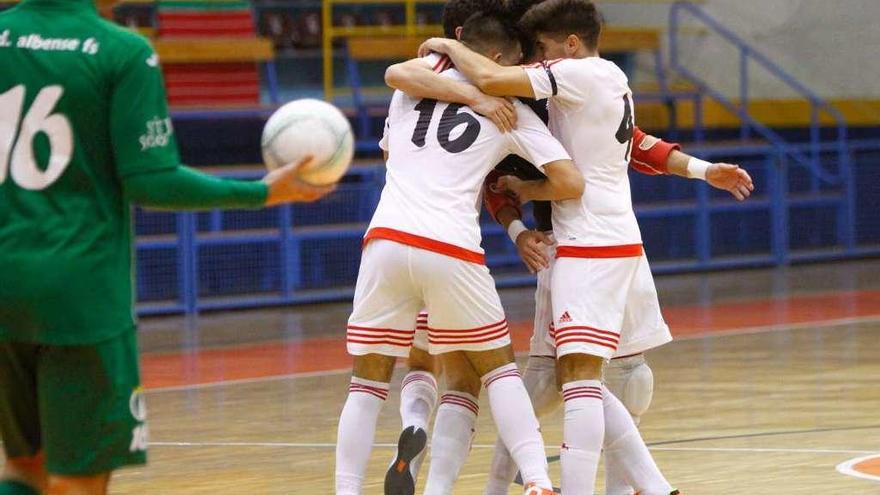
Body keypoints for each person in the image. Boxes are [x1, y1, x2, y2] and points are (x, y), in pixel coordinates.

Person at [415, 0, 753, 492]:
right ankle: (648, 487)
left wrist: (443, 48)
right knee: (595, 380)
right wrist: (702, 170)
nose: (535, 57)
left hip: (579, 243)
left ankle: (605, 486)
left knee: (577, 381)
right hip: (611, 240)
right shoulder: (607, 76)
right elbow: (628, 143)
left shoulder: (545, 79)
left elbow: (493, 109)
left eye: (543, 49)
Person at [0, 1, 333, 494]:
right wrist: (261, 191)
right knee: (76, 482)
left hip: (6, 284)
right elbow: (153, 182)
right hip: (79, 293)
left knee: (25, 467)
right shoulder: (122, 52)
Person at [334, 11, 584, 495]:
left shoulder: (412, 86)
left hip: (384, 239)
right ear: (494, 60)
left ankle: (346, 490)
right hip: (449, 244)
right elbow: (570, 182)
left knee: (366, 384)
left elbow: (391, 148)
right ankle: (536, 480)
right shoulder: (511, 107)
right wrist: (521, 187)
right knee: (497, 368)